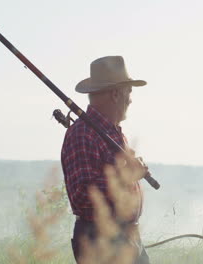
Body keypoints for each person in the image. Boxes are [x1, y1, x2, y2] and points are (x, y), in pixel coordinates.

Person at [61, 56, 150, 264]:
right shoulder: (82, 134)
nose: (131, 99)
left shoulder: (113, 133)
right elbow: (82, 195)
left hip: (126, 238)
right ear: (116, 94)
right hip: (101, 242)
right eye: (129, 92)